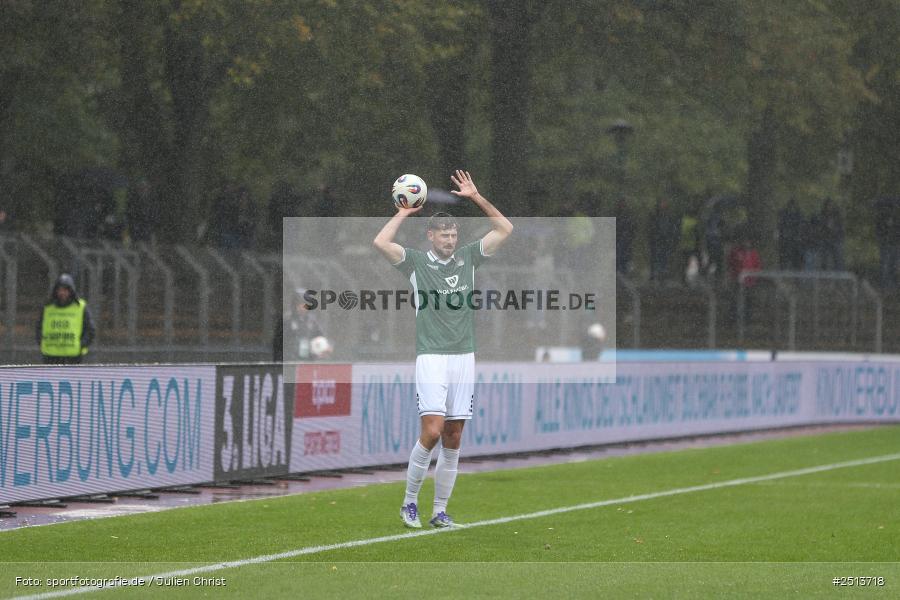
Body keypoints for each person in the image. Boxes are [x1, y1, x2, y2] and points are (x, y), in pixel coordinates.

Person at [373, 170, 513, 529]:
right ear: (430, 236)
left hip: (464, 356)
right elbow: (381, 242)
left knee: (453, 437)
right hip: (433, 356)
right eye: (443, 234)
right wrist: (404, 211)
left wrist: (477, 197)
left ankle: (439, 511)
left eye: (453, 234)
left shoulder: (469, 257)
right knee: (432, 431)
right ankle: (408, 504)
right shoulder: (417, 263)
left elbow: (505, 230)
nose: (450, 240)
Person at [35, 274, 96, 364]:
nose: (62, 293)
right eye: (59, 290)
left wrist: (80, 345)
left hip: (73, 356)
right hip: (51, 355)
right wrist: (42, 343)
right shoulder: (48, 307)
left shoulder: (80, 307)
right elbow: (39, 327)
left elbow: (90, 330)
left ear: (71, 291)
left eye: (65, 290)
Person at [273, 287, 328, 362]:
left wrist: (324, 348)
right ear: (294, 305)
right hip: (290, 362)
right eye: (300, 304)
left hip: (308, 362)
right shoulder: (286, 320)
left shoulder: (312, 320)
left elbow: (320, 337)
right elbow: (277, 344)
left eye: (305, 304)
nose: (303, 307)